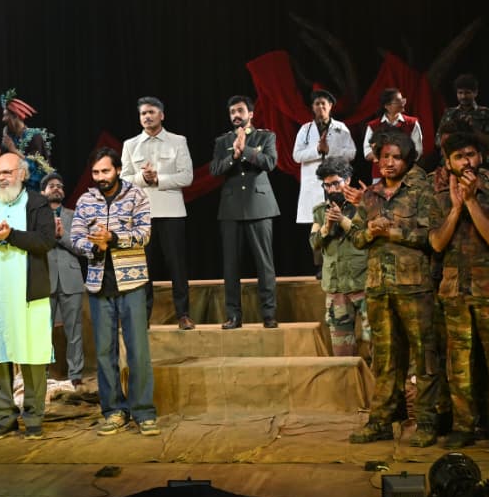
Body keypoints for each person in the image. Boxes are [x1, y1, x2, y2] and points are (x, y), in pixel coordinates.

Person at [344, 131, 444, 447]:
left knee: (424, 356)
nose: (389, 162)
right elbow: (355, 237)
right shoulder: (371, 195)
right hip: (378, 287)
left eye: (396, 157)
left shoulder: (421, 192)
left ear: (407, 161)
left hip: (414, 287)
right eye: (384, 156)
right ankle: (381, 421)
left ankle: (427, 422)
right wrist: (370, 232)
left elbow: (432, 237)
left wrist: (394, 232)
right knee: (384, 358)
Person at [428, 130, 489, 452]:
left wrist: (471, 201)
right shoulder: (438, 198)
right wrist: (454, 208)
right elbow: (437, 243)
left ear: (481, 157)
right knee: (458, 363)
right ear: (448, 162)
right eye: (459, 156)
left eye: (471, 154)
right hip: (454, 291)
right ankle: (463, 426)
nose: (466, 161)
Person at [0, 153, 57, 440]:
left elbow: (45, 241)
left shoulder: (37, 203)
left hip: (30, 297)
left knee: (32, 357)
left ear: (22, 174)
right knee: (0, 358)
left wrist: (10, 235)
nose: (1, 178)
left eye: (7, 172)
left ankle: (33, 418)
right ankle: (4, 417)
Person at [70, 147, 160, 436]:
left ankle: (143, 412)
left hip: (131, 283)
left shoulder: (136, 195)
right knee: (104, 352)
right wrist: (95, 246)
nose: (100, 177)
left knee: (138, 351)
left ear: (118, 170)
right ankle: (113, 411)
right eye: (96, 172)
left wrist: (114, 238)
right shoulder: (86, 200)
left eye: (105, 171)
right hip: (99, 285)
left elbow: (144, 234)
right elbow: (75, 238)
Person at [121, 96, 195, 329]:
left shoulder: (177, 141)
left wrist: (158, 179)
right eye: (143, 113)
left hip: (172, 212)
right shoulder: (130, 144)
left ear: (161, 115)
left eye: (151, 112)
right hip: (141, 215)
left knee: (177, 266)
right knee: (143, 268)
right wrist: (143, 178)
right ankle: (142, 317)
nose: (147, 116)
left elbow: (187, 176)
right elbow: (123, 179)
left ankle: (183, 315)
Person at [210, 95, 280, 329]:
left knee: (264, 264)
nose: (236, 115)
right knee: (231, 266)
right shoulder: (223, 141)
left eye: (240, 111)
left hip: (259, 206)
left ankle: (269, 314)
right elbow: (215, 169)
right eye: (232, 112)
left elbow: (270, 163)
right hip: (231, 209)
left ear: (250, 113)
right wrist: (234, 155)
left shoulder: (266, 136)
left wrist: (246, 149)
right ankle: (233, 315)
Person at [308, 156, 369, 358]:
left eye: (336, 183)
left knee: (376, 345)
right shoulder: (320, 211)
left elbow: (367, 236)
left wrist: (342, 220)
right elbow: (314, 243)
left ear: (347, 180)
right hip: (336, 287)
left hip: (363, 283)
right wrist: (327, 226)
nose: (332, 189)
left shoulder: (364, 205)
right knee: (342, 352)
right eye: (327, 185)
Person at [292, 90, 358, 271]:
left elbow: (352, 153)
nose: (320, 107)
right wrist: (317, 150)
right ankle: (320, 267)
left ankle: (340, 262)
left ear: (330, 106)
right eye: (317, 104)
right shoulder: (305, 130)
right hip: (314, 184)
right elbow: (296, 156)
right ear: (312, 107)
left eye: (324, 103)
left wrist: (329, 151)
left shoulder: (341, 128)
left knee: (339, 219)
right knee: (318, 221)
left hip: (336, 184)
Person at [41, 172, 86, 390]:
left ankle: (75, 374)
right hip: (43, 279)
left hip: (71, 278)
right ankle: (41, 373)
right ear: (43, 192)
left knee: (74, 330)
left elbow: (82, 248)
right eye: (51, 186)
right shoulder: (35, 217)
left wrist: (62, 236)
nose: (57, 188)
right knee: (42, 330)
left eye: (60, 185)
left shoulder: (75, 216)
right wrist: (49, 234)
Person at [0, 88, 55, 191]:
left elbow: (38, 168)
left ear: (15, 116)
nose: (3, 119)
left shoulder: (35, 136)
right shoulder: (9, 139)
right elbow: (6, 168)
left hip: (33, 192)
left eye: (5, 115)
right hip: (13, 190)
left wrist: (14, 151)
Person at [363, 88, 424, 183]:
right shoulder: (373, 126)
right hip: (380, 176)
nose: (403, 103)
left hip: (407, 175)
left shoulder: (411, 123)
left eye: (403, 100)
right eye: (398, 101)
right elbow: (367, 153)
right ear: (387, 106)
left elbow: (418, 151)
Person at [435, 74, 489, 155]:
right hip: (452, 157)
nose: (463, 96)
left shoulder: (486, 113)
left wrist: (475, 131)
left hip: (478, 158)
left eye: (467, 93)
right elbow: (437, 141)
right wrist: (452, 133)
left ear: (475, 93)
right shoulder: (449, 113)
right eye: (460, 93)